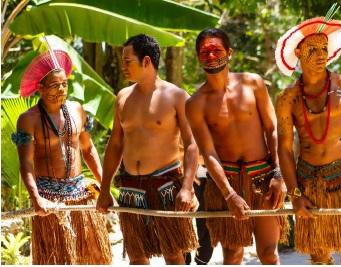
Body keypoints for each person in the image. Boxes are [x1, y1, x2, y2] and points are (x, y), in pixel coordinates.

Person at [275, 17, 341, 265]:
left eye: (324, 49)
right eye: (313, 49)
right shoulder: (287, 98)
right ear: (299, 53)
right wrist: (295, 194)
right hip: (308, 181)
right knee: (319, 256)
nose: (321, 55)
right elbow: (284, 148)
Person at [186, 28, 289, 265]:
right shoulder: (196, 103)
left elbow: (273, 129)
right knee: (232, 256)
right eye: (205, 52)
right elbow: (208, 152)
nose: (211, 56)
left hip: (264, 179)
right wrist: (229, 194)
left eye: (216, 50)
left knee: (268, 253)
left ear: (229, 53)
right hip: (226, 183)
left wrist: (279, 173)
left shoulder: (253, 83)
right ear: (198, 57)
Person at [96, 34, 199, 265]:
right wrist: (104, 190)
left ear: (146, 61)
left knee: (173, 253)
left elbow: (192, 144)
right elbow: (115, 145)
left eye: (128, 61)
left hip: (166, 185)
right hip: (130, 185)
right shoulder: (122, 97)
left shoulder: (176, 96)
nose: (123, 66)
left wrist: (187, 187)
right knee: (136, 256)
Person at [13, 46, 112, 264]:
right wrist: (36, 198)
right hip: (49, 199)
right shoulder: (28, 120)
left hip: (80, 193)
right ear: (40, 88)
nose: (61, 89)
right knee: (57, 259)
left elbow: (88, 149)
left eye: (65, 84)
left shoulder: (77, 110)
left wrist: (104, 187)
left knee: (93, 257)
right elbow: (26, 162)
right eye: (55, 85)